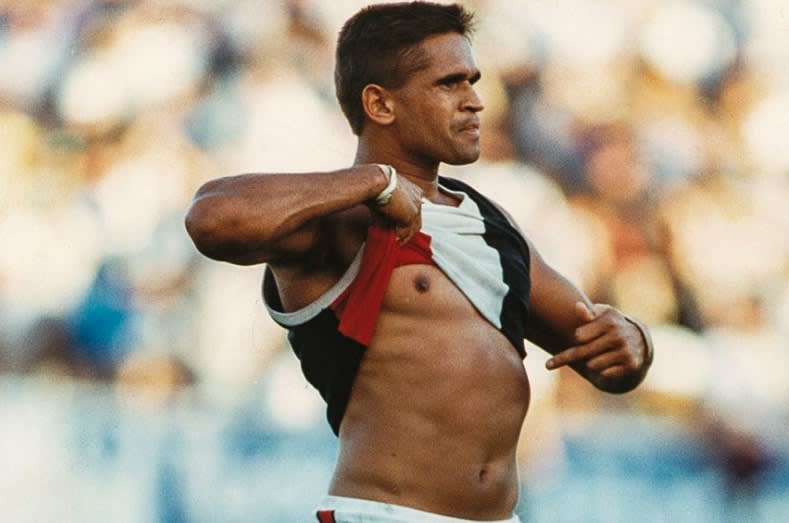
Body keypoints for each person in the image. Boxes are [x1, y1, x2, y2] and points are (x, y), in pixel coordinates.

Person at [185, 2, 653, 522]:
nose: (475, 102)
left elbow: (599, 353)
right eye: (449, 84)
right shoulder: (342, 219)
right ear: (380, 105)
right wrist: (374, 182)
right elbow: (209, 218)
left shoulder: (493, 225)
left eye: (473, 81)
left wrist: (635, 341)